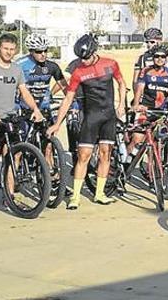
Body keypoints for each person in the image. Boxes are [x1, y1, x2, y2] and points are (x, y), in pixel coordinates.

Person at [47, 34, 127, 209]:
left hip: (109, 116)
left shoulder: (110, 64)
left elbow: (122, 83)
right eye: (80, 58)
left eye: (86, 58)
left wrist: (121, 105)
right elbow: (67, 99)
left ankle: (99, 194)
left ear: (94, 52)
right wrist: (57, 123)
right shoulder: (78, 72)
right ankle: (75, 197)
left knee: (106, 154)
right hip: (91, 116)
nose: (83, 61)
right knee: (83, 156)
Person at [0, 33, 46, 219]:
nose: (8, 52)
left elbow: (24, 92)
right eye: (5, 48)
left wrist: (35, 109)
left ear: (15, 50)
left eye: (11, 49)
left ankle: (9, 196)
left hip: (10, 119)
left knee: (14, 156)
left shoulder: (16, 70)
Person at [129, 45, 168, 160]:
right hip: (146, 108)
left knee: (161, 141)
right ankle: (127, 162)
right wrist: (135, 105)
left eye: (163, 56)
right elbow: (139, 88)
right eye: (157, 56)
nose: (160, 59)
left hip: (163, 110)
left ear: (166, 58)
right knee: (137, 138)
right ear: (153, 58)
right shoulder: (146, 71)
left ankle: (158, 168)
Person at [16, 33, 69, 112]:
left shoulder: (52, 66)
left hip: (44, 109)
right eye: (39, 51)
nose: (43, 54)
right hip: (25, 109)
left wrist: (74, 103)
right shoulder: (20, 64)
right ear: (31, 51)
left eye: (45, 50)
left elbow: (65, 88)